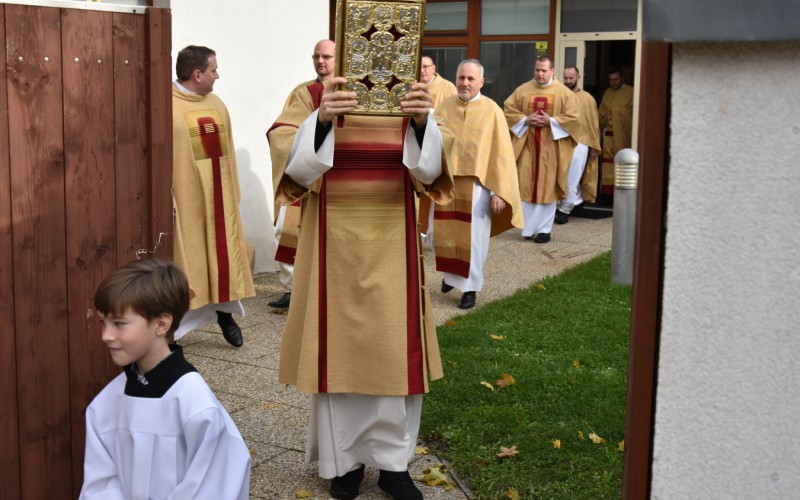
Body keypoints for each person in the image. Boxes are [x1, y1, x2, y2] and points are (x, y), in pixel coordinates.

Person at [275, 68, 453, 499]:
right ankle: (345, 463)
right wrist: (319, 120)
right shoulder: (318, 94)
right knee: (340, 352)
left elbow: (431, 173)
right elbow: (291, 161)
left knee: (393, 350)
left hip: (393, 244)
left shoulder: (411, 95)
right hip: (332, 245)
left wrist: (421, 122)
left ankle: (394, 465)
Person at [80, 259, 251, 499]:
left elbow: (215, 483)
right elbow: (101, 482)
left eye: (119, 324)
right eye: (103, 323)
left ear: (161, 324)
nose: (106, 336)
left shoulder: (195, 404)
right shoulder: (106, 404)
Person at [172, 45, 255, 347]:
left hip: (219, 197)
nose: (217, 74)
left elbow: (228, 149)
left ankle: (224, 313)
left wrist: (232, 190)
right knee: (190, 261)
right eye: (213, 70)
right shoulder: (166, 106)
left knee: (222, 260)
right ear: (197, 74)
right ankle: (174, 330)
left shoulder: (217, 103)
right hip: (186, 198)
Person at [431, 59, 522, 309]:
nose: (465, 83)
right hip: (446, 182)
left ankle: (470, 289)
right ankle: (452, 277)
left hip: (478, 185)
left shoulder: (492, 111)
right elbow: (432, 144)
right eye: (461, 78)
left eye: (471, 79)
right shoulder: (443, 108)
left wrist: (498, 192)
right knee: (446, 234)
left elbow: (500, 154)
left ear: (481, 82)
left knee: (474, 240)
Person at [266, 39, 336, 310]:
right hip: (302, 171)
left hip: (332, 177)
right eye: (316, 56)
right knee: (287, 230)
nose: (321, 61)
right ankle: (291, 288)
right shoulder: (303, 91)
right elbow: (282, 130)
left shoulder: (349, 90)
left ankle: (320, 288)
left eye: (327, 56)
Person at [504, 55, 580, 243]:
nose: (540, 73)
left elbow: (574, 119)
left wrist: (551, 121)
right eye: (537, 69)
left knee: (548, 188)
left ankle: (545, 230)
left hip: (552, 148)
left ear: (552, 71)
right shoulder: (522, 90)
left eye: (544, 70)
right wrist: (525, 120)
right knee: (526, 185)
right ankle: (527, 229)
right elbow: (508, 110)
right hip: (527, 146)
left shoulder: (564, 94)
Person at [555, 66, 601, 224]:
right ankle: (575, 203)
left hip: (580, 143)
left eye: (571, 78)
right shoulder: (559, 95)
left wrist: (594, 146)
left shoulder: (587, 98)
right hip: (560, 141)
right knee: (560, 176)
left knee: (572, 177)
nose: (567, 81)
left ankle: (564, 210)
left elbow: (593, 123)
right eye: (565, 78)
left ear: (578, 78)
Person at [598, 67, 634, 197]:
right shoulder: (607, 92)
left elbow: (632, 114)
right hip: (607, 135)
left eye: (616, 79)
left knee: (622, 163)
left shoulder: (631, 92)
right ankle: (607, 194)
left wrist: (617, 114)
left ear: (622, 78)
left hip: (623, 134)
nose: (613, 82)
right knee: (607, 164)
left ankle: (622, 194)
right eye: (611, 80)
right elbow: (601, 112)